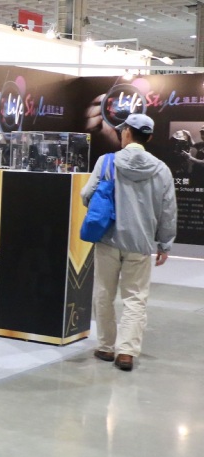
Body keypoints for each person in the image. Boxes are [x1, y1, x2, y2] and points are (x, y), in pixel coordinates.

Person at [80, 113, 177, 372]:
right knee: (135, 298)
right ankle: (126, 352)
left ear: (126, 133)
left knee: (104, 293)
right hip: (141, 243)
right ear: (149, 137)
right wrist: (164, 244)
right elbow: (168, 210)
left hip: (108, 239)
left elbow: (87, 194)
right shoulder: (161, 169)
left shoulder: (107, 161)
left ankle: (105, 346)